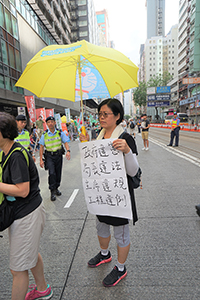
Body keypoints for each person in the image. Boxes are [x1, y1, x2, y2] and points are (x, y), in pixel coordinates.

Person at [80, 98, 139, 287]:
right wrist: (86, 146)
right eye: (100, 114)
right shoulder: (99, 135)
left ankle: (120, 268)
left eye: (106, 114)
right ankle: (105, 254)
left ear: (118, 116)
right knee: (101, 225)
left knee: (121, 232)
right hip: (101, 193)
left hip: (119, 196)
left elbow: (133, 171)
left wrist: (128, 151)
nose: (101, 118)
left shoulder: (125, 138)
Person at [0, 112, 53, 300]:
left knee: (17, 269)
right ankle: (42, 289)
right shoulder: (7, 152)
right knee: (29, 253)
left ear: (2, 133)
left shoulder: (15, 156)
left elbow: (22, 190)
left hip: (27, 214)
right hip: (23, 212)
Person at [39, 116, 71, 201]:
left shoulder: (60, 132)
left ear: (54, 123)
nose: (50, 124)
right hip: (49, 156)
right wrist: (41, 159)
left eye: (52, 122)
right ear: (47, 124)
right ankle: (52, 191)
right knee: (52, 173)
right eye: (48, 122)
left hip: (58, 155)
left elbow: (65, 142)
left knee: (58, 172)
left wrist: (68, 151)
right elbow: (41, 147)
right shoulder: (44, 134)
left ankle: (56, 188)